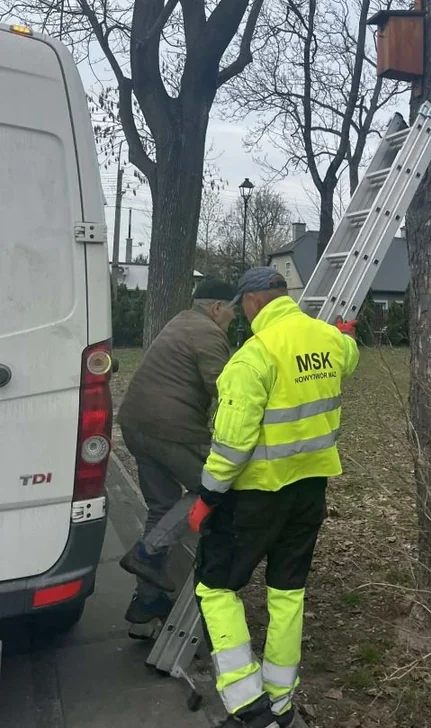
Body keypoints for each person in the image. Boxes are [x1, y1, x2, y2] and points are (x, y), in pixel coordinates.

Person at [188, 267, 359, 728]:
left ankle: (246, 704)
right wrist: (345, 334)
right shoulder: (327, 339)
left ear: (251, 302)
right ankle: (281, 704)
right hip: (310, 491)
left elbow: (231, 444)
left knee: (216, 585)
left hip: (256, 496)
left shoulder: (253, 357)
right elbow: (349, 356)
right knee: (287, 593)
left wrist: (207, 495)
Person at [118, 277, 238, 627]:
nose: (232, 319)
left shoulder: (180, 322)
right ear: (217, 308)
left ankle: (146, 603)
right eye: (231, 312)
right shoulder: (208, 334)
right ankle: (146, 552)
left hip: (136, 425)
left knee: (162, 507)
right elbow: (226, 389)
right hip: (172, 431)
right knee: (213, 487)